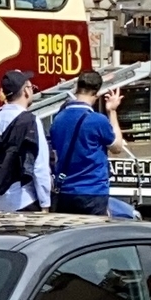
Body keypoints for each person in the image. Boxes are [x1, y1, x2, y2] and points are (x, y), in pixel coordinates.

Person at [45, 72, 128, 217]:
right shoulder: (97, 120)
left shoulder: (58, 119)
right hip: (93, 191)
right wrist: (112, 111)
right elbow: (117, 147)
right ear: (97, 93)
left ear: (77, 88)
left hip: (65, 191)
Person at [0, 71, 46, 211]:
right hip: (24, 198)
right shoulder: (31, 121)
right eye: (31, 87)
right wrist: (45, 203)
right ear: (25, 91)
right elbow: (39, 165)